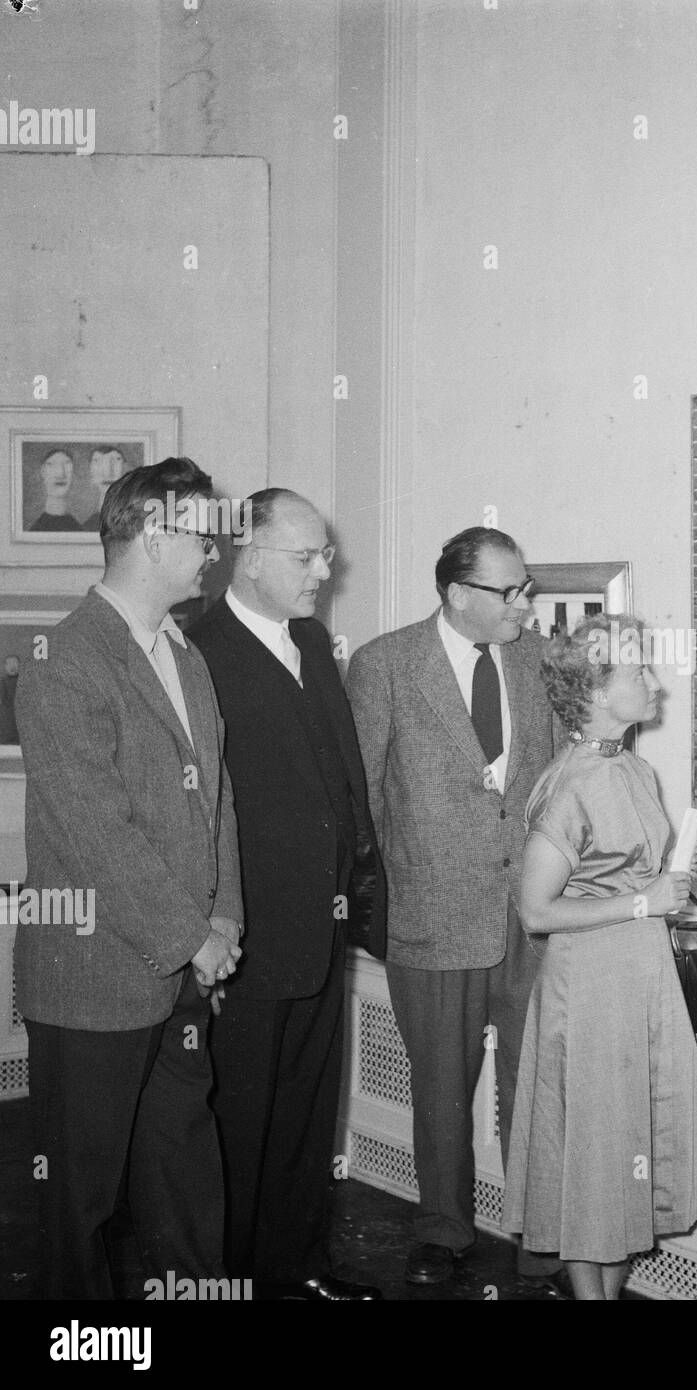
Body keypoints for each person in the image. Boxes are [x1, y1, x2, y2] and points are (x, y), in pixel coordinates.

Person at [15, 457, 243, 1299]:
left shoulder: (186, 657)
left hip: (186, 975)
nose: (214, 551)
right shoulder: (64, 658)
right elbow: (96, 834)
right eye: (200, 534)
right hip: (93, 981)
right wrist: (192, 938)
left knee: (186, 1183)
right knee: (79, 1207)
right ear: (154, 531)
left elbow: (217, 807)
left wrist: (222, 928)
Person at [346, 526, 566, 1291]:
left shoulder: (540, 662)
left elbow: (567, 780)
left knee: (534, 1079)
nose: (524, 602)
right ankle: (442, 1228)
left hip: (531, 910)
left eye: (526, 585)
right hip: (432, 912)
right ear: (456, 594)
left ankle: (538, 1231)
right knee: (441, 1082)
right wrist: (384, 901)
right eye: (509, 591)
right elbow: (363, 797)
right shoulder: (385, 665)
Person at [186, 488, 385, 1300]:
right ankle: (230, 1280)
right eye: (306, 556)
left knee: (305, 1114)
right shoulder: (198, 648)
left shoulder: (308, 639)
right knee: (237, 1123)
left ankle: (297, 1266)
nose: (323, 570)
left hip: (321, 927)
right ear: (249, 554)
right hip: (244, 937)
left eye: (325, 553)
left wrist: (362, 892)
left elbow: (342, 779)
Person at [501, 614, 697, 1300]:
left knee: (631, 1139)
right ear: (595, 692)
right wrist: (643, 902)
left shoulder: (633, 768)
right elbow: (536, 911)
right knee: (594, 1152)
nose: (652, 681)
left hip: (642, 978)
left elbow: (637, 876)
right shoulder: (568, 786)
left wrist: (675, 878)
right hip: (592, 986)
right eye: (636, 672)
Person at [28, 448, 81, 532]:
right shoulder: (36, 530)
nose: (61, 474)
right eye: (51, 464)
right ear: (42, 472)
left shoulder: (79, 529)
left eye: (67, 464)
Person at [82, 445, 126, 533]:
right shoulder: (86, 527)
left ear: (126, 467)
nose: (107, 472)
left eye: (116, 460)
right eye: (97, 461)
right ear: (90, 469)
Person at [0, 654, 18, 744]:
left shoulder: (23, 681)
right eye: (9, 663)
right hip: (7, 716)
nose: (12, 666)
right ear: (5, 666)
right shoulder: (3, 681)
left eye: (15, 662)